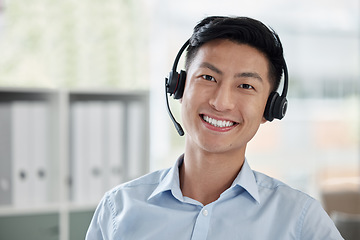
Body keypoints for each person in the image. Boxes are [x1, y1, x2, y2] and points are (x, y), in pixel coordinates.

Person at [86, 16, 343, 239]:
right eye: (208, 78)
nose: (221, 103)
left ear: (269, 109)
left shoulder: (301, 220)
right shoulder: (117, 210)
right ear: (179, 87)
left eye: (245, 86)